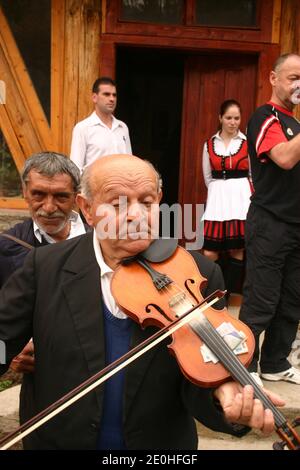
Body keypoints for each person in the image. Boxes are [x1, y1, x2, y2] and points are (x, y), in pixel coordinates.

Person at [0, 155, 283, 450]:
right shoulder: (44, 267)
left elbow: (198, 372)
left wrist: (221, 392)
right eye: (119, 204)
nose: (136, 215)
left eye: (146, 202)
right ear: (87, 209)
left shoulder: (199, 274)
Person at [0, 151, 89, 426]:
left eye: (61, 196)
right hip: (44, 388)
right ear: (25, 192)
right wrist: (11, 352)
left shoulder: (103, 241)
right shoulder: (6, 248)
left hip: (101, 372)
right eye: (38, 194)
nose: (48, 207)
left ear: (77, 195)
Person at [239, 53, 300, 386]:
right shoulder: (265, 117)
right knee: (262, 298)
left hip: (296, 225)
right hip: (270, 222)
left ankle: (275, 363)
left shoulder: (297, 125)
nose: (298, 85)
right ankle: (247, 365)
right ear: (274, 78)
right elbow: (285, 159)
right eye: (293, 77)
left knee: (292, 299)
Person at [202, 99, 251, 296]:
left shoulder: (247, 143)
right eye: (229, 117)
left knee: (237, 250)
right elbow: (207, 177)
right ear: (220, 118)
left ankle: (227, 295)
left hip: (240, 203)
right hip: (216, 203)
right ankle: (212, 294)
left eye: (236, 118)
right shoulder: (209, 144)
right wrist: (220, 192)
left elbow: (252, 176)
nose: (233, 122)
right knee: (210, 253)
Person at [70, 77, 132, 172]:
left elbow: (130, 162)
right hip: (95, 186)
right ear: (95, 97)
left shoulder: (122, 127)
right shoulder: (83, 128)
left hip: (121, 185)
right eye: (106, 94)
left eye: (114, 95)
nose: (112, 99)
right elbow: (75, 168)